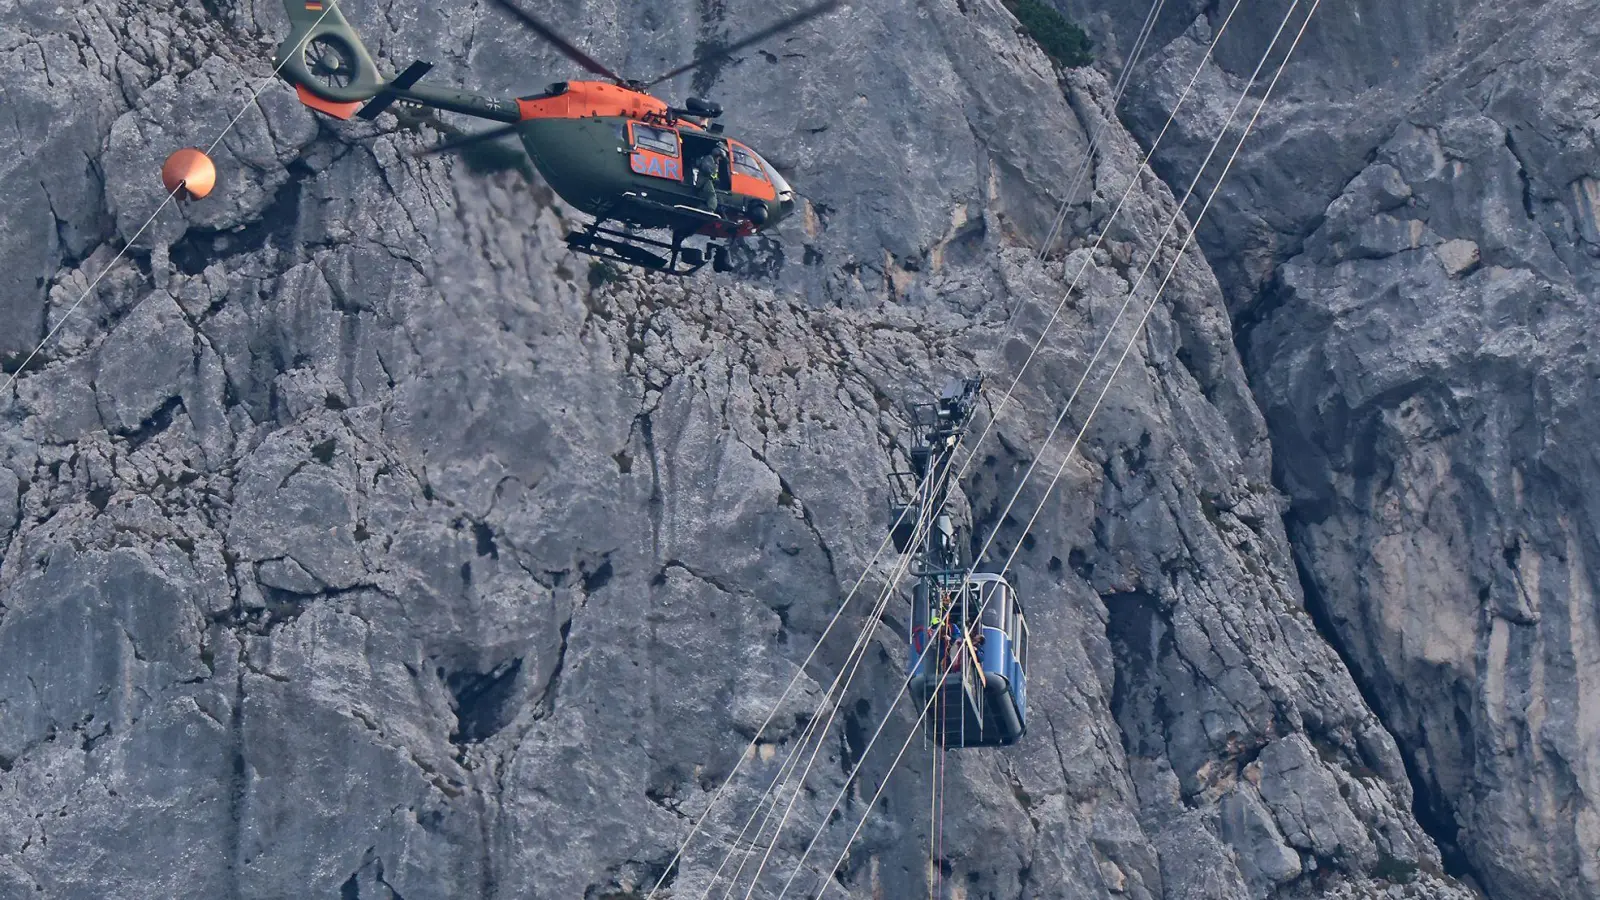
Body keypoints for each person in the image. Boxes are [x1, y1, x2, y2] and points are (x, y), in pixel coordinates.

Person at [695, 144, 727, 213]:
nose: (720, 160)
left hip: (707, 182)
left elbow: (714, 174)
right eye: (719, 158)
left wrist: (716, 179)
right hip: (704, 182)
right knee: (712, 195)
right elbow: (706, 169)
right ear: (717, 155)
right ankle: (710, 209)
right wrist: (713, 177)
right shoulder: (708, 159)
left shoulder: (714, 164)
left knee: (718, 197)